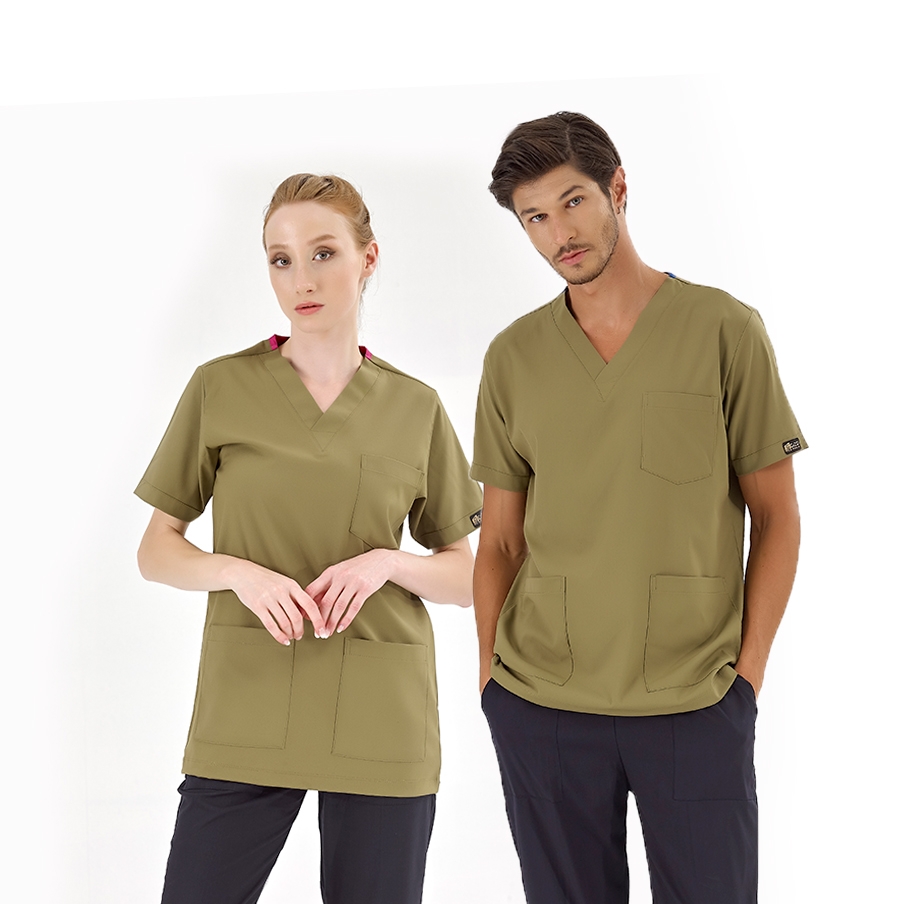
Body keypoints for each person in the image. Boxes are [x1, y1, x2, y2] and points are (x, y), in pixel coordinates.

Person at [472, 112, 805, 903]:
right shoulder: (514, 357)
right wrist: (492, 685)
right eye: (535, 218)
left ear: (617, 188)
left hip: (695, 700)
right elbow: (501, 544)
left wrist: (745, 682)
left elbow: (777, 518)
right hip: (543, 704)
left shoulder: (724, 330)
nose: (560, 233)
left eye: (573, 201)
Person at [135, 173, 483, 904]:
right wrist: (238, 572)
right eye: (281, 259)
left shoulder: (415, 407)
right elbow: (156, 548)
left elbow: (466, 576)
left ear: (368, 257)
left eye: (323, 252)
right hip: (246, 702)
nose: (302, 279)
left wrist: (387, 562)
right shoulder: (220, 388)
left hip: (380, 715)